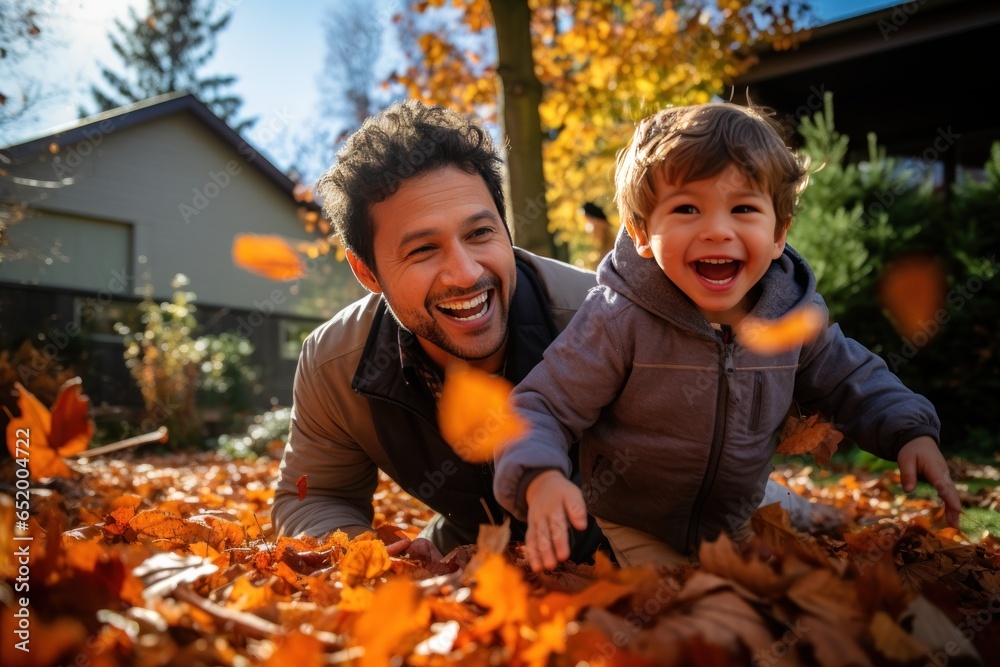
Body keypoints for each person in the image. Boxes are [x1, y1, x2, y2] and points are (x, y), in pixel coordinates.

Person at [271, 99, 842, 562]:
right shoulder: (334, 364)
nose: (466, 272)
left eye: (479, 234)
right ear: (367, 271)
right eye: (423, 250)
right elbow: (315, 495)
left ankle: (790, 504)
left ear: (504, 226)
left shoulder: (602, 315)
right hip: (487, 537)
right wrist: (368, 559)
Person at [493, 102, 962, 572]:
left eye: (742, 208)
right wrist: (538, 476)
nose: (717, 230)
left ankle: (798, 519)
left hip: (735, 516)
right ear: (641, 232)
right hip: (635, 520)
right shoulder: (617, 320)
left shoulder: (791, 318)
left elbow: (853, 380)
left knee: (777, 599)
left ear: (779, 233)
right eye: (687, 208)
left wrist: (909, 431)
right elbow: (545, 405)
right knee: (679, 609)